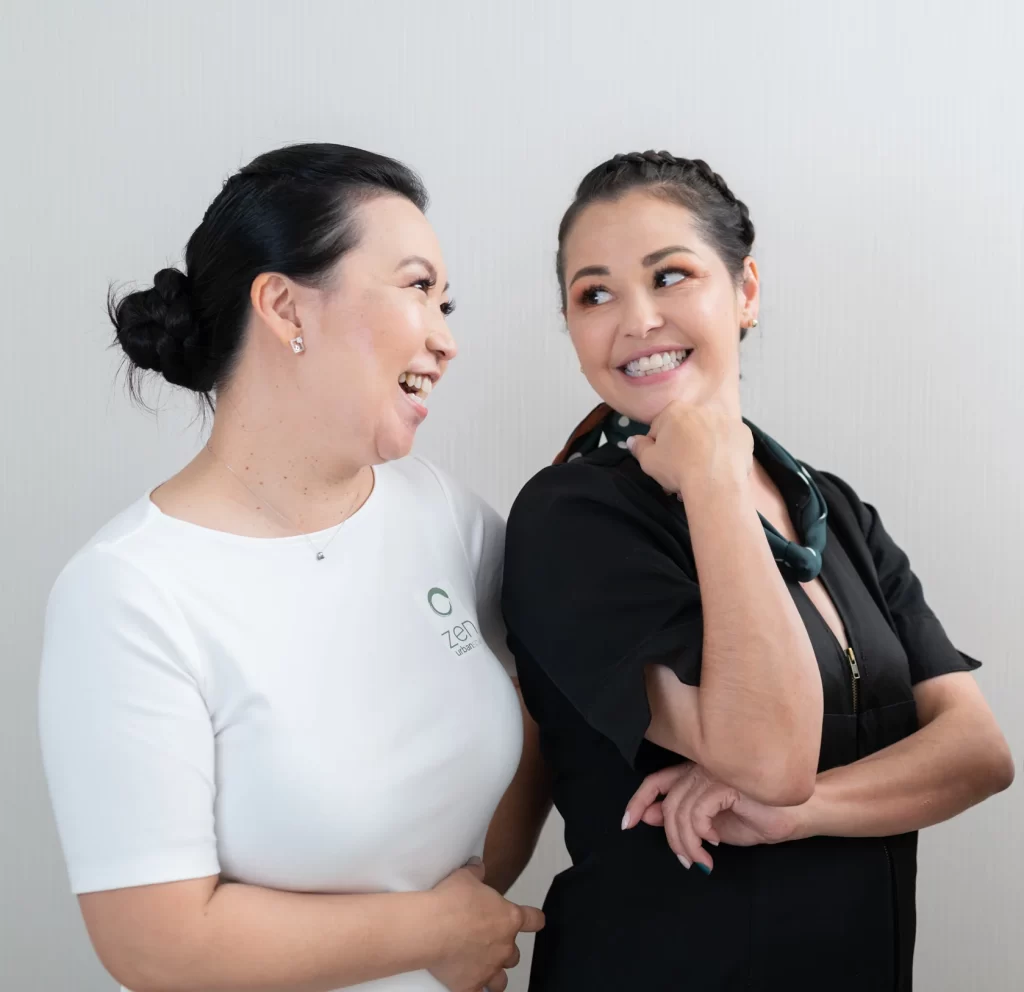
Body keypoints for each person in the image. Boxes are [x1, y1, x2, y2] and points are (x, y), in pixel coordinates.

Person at [38, 143, 550, 992]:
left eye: (446, 301)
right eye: (418, 288)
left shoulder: (440, 513)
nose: (447, 339)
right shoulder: (129, 593)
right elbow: (153, 945)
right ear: (283, 306)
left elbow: (547, 701)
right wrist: (436, 931)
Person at [501, 150, 1014, 992]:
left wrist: (798, 813)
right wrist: (710, 479)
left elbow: (978, 752)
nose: (636, 319)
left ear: (745, 291)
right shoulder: (572, 519)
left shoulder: (833, 508)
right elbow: (769, 756)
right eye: (595, 295)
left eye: (670, 276)